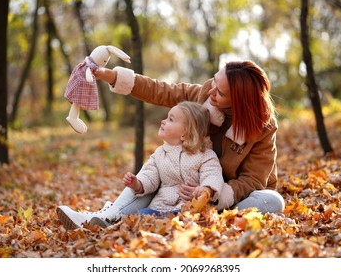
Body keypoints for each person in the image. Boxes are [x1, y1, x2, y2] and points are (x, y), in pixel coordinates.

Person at [56, 60, 285, 230]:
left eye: (221, 93)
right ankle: (104, 218)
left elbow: (253, 180)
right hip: (182, 179)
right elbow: (161, 91)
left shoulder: (262, 127)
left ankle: (208, 219)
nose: (211, 91)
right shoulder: (203, 95)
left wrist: (210, 194)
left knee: (273, 201)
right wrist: (110, 75)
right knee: (154, 171)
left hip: (228, 193)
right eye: (214, 81)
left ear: (239, 101)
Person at [57, 101, 225, 229]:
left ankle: (109, 222)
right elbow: (150, 174)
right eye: (166, 117)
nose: (163, 121)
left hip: (189, 210)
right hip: (161, 207)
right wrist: (137, 184)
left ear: (185, 134)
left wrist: (206, 190)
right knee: (141, 216)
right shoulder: (160, 153)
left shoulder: (205, 155)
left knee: (153, 220)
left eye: (170, 119)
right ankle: (106, 222)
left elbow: (213, 174)